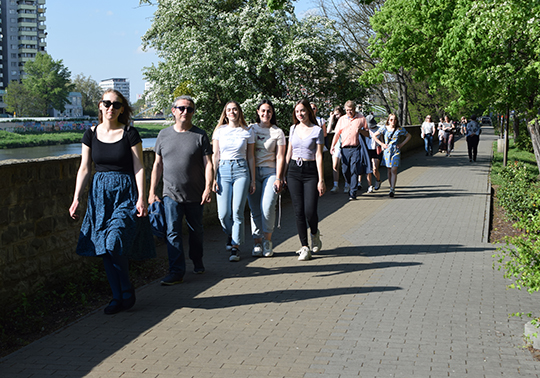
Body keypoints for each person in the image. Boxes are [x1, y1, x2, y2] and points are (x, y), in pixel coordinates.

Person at [69, 89, 155, 315]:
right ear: (100, 106)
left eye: (116, 105)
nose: (111, 108)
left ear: (122, 110)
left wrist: (141, 198)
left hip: (125, 193)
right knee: (104, 247)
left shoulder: (130, 134)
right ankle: (117, 296)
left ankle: (126, 288)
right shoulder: (90, 134)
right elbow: (85, 168)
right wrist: (77, 197)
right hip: (99, 195)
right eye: (107, 103)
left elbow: (139, 167)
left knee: (114, 240)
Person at [148, 95, 213, 286]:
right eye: (182, 108)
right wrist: (152, 191)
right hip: (170, 194)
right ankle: (176, 271)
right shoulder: (163, 135)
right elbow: (157, 165)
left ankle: (197, 259)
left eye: (190, 109)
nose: (185, 112)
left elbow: (208, 164)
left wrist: (208, 187)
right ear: (173, 111)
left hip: (195, 194)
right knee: (173, 232)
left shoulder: (200, 135)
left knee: (196, 231)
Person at [212, 101, 256, 262]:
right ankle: (230, 234)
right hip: (223, 170)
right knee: (223, 214)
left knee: (237, 211)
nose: (232, 112)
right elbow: (215, 155)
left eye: (235, 109)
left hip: (241, 170)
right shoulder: (219, 131)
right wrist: (213, 178)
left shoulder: (247, 132)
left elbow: (251, 156)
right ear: (225, 113)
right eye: (229, 110)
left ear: (239, 112)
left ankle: (235, 247)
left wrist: (252, 180)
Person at [286, 99, 325, 261]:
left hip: (310, 172)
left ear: (309, 111)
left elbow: (319, 155)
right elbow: (289, 151)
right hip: (294, 171)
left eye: (302, 110)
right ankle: (304, 247)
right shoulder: (293, 128)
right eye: (297, 112)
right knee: (298, 211)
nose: (300, 114)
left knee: (310, 211)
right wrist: (282, 173)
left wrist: (321, 179)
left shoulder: (317, 130)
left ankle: (314, 233)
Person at [247, 99, 286, 258]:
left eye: (268, 111)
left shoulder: (278, 132)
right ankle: (257, 242)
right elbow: (248, 154)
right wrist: (251, 178)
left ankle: (267, 242)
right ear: (258, 112)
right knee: (254, 208)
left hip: (271, 172)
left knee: (268, 206)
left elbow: (281, 156)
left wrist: (279, 177)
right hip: (253, 172)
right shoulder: (251, 129)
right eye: (263, 111)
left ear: (272, 113)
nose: (266, 114)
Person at [330, 100, 370, 200]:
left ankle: (353, 192)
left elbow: (368, 134)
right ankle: (348, 182)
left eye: (351, 110)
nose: (349, 112)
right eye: (347, 110)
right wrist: (332, 146)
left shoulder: (361, 118)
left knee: (354, 170)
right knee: (345, 170)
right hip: (344, 148)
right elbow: (337, 134)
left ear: (354, 109)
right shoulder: (342, 120)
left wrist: (360, 131)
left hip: (356, 148)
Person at [373, 113, 411, 197]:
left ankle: (392, 189)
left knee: (394, 169)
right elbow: (374, 136)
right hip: (387, 151)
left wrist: (401, 144)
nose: (393, 121)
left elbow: (408, 136)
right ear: (388, 120)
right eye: (391, 119)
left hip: (395, 151)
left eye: (394, 120)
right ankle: (391, 187)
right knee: (389, 170)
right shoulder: (384, 128)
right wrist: (382, 144)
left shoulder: (399, 129)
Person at [327, 106, 346, 193]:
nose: (337, 116)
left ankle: (347, 184)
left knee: (345, 166)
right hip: (336, 145)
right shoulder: (334, 122)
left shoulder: (345, 121)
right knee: (335, 166)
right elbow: (328, 131)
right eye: (335, 115)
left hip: (345, 145)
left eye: (338, 114)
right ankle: (335, 185)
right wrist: (331, 118)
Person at [365, 115, 382, 193]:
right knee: (368, 169)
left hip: (376, 150)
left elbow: (382, 140)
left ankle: (378, 180)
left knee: (375, 168)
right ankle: (370, 186)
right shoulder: (365, 130)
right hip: (367, 150)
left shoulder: (379, 129)